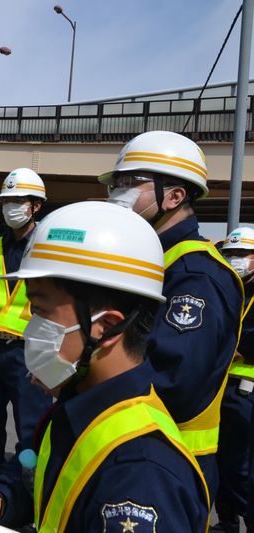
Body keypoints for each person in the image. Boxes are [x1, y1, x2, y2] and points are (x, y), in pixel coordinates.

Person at [0, 201, 210, 532]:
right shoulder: (80, 406)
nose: (29, 329)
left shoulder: (140, 475)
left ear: (105, 326)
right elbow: (49, 476)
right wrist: (2, 496)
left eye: (41, 311)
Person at [102, 130, 244, 499]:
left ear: (174, 196)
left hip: (168, 461)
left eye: (131, 182)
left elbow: (172, 380)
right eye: (116, 184)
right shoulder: (152, 260)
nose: (118, 193)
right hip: (134, 445)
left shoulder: (196, 275)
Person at [0, 168, 51, 481]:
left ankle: (29, 487)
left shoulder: (49, 246)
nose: (10, 207)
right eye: (7, 201)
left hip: (30, 350)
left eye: (18, 201)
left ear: (36, 206)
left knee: (31, 426)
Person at [214, 226, 254, 532]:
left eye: (242, 254)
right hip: (220, 387)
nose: (235, 260)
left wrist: (237, 344)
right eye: (231, 254)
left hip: (247, 392)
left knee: (243, 467)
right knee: (221, 463)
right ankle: (227, 522)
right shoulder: (227, 289)